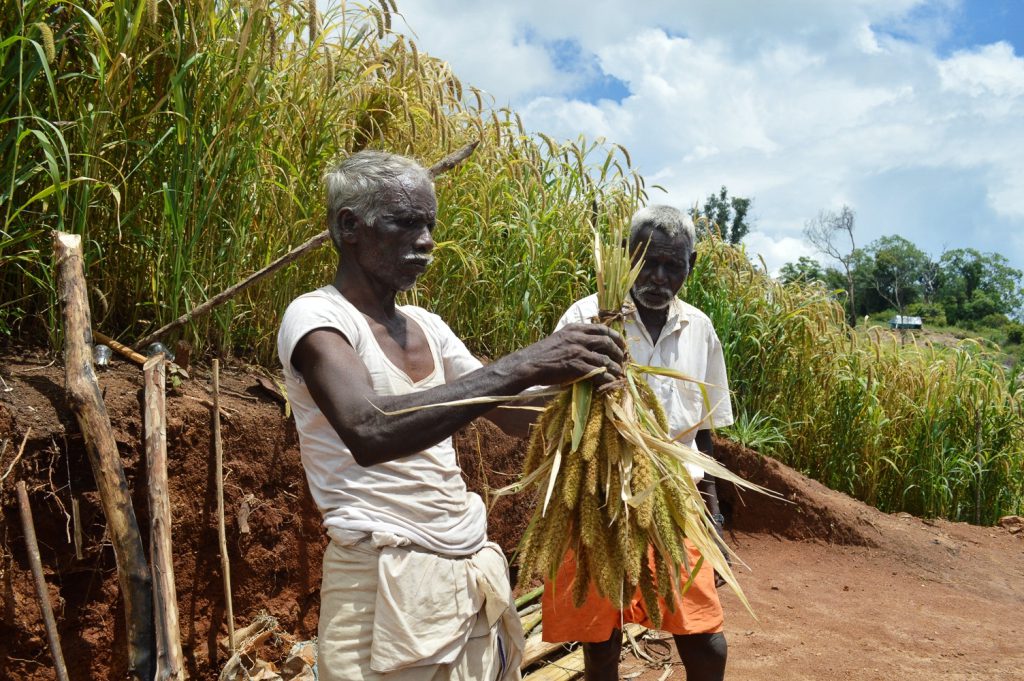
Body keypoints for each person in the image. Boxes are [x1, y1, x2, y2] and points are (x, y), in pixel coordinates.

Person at [276, 150, 625, 681]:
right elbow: (369, 429)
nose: (426, 241)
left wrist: (588, 391)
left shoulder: (426, 325)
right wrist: (525, 363)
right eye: (405, 222)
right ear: (349, 226)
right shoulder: (317, 318)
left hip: (467, 571)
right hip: (381, 583)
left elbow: (511, 413)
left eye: (430, 226)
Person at [541, 205, 735, 681]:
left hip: (676, 499)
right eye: (649, 262)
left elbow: (703, 431)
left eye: (674, 266)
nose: (659, 277)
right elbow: (553, 405)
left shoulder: (699, 329)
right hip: (597, 496)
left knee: (706, 640)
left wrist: (713, 512)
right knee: (600, 641)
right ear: (627, 256)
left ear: (691, 264)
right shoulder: (587, 317)